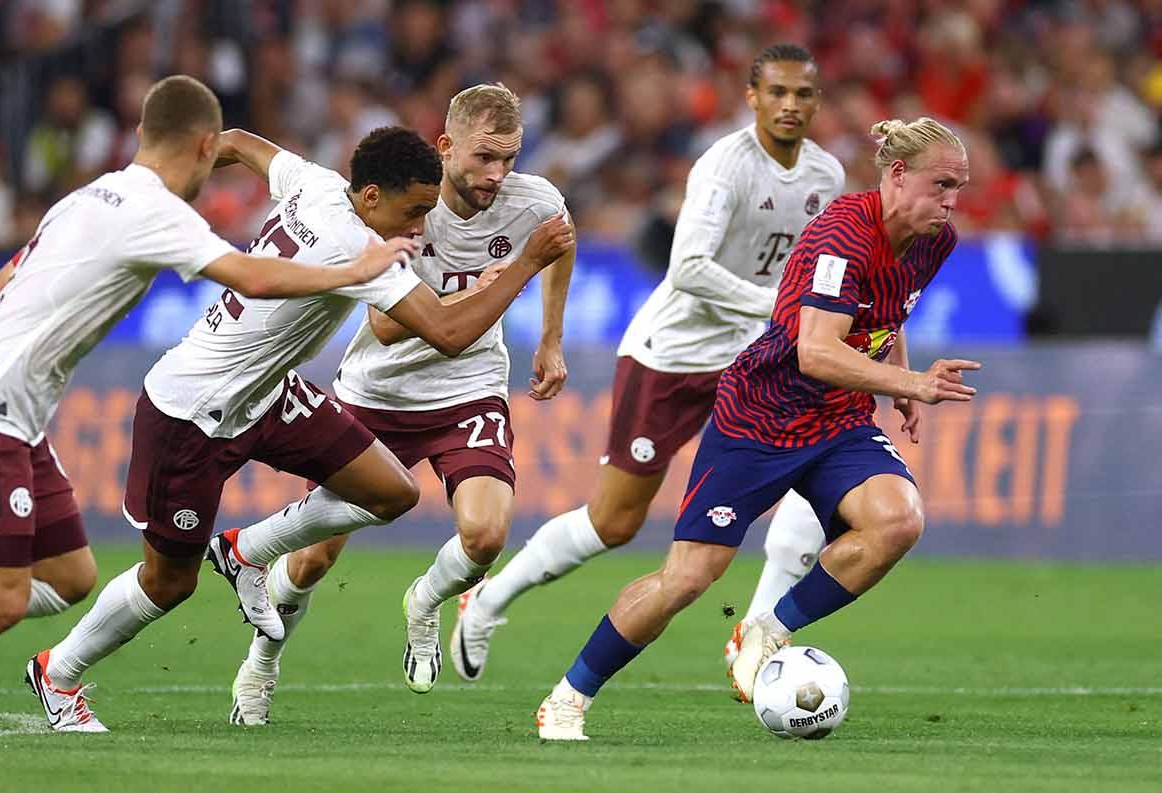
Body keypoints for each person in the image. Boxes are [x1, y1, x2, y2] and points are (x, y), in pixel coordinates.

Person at [0, 74, 415, 759]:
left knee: (69, 575)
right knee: (0, 599)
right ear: (205, 147)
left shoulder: (85, 197)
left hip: (10, 410)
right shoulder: (156, 213)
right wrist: (357, 270)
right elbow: (255, 276)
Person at [23, 125, 574, 731]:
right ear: (369, 199)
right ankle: (57, 672)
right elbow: (445, 333)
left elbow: (231, 141)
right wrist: (525, 264)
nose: (420, 227)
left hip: (270, 394)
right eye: (413, 212)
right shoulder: (362, 251)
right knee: (168, 583)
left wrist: (161, 184)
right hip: (193, 413)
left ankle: (248, 550)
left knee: (392, 492)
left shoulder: (314, 183)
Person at [535, 116, 978, 741]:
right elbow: (815, 352)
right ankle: (568, 696)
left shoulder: (935, 239)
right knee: (688, 578)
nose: (952, 200)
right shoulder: (842, 235)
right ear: (897, 175)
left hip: (838, 420)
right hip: (760, 418)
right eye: (942, 184)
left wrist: (897, 375)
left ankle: (768, 627)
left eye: (960, 186)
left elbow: (889, 309)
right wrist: (914, 386)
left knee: (897, 519)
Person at [455, 45, 843, 685]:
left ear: (816, 100)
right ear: (752, 96)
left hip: (757, 360)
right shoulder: (725, 166)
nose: (790, 105)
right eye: (776, 92)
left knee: (818, 466)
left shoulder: (826, 176)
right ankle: (489, 599)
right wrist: (780, 309)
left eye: (802, 94)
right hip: (673, 357)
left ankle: (759, 632)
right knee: (615, 521)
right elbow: (688, 269)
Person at [217, 83, 575, 724]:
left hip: (469, 388)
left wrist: (550, 340)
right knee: (313, 559)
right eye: (484, 158)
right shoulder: (408, 204)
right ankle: (261, 663)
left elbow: (560, 247)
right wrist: (502, 279)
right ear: (446, 146)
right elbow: (386, 327)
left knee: (488, 533)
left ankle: (424, 602)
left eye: (509, 159)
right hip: (376, 391)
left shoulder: (535, 202)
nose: (497, 175)